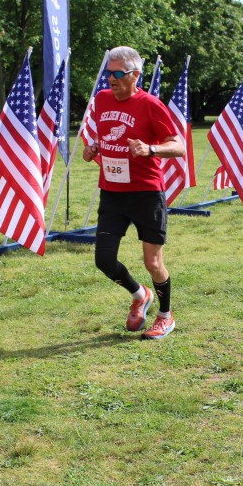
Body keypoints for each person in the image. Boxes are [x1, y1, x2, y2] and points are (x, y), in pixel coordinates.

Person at [81, 46, 186, 340]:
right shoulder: (101, 100)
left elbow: (178, 146)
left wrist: (150, 148)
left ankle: (165, 316)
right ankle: (140, 294)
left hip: (146, 194)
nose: (110, 79)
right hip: (112, 193)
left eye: (117, 74)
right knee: (104, 260)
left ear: (135, 75)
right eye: (108, 73)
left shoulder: (151, 105)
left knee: (153, 262)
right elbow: (105, 136)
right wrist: (93, 148)